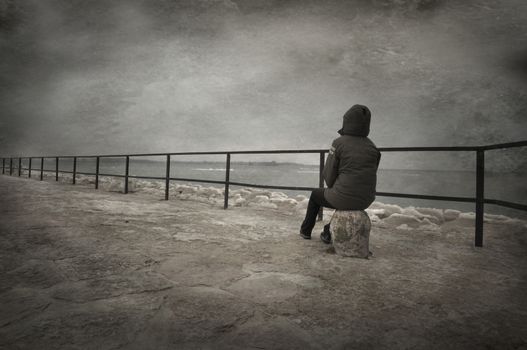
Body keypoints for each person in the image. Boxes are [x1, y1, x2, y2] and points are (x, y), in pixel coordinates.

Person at [300, 104, 381, 243]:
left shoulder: (339, 143)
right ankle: (328, 232)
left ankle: (305, 231)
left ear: (347, 121)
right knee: (345, 195)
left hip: (344, 197)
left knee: (316, 195)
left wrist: (334, 186)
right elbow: (369, 174)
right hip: (366, 199)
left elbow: (329, 176)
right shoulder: (373, 147)